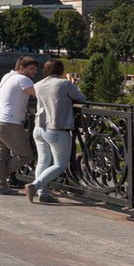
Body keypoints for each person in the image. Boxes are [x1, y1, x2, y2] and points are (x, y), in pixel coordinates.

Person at [28, 58, 84, 203]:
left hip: (39, 128)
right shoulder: (63, 84)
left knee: (43, 161)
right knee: (60, 164)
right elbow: (81, 98)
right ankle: (35, 186)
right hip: (57, 129)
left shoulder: (38, 85)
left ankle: (43, 193)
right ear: (60, 70)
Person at [0, 56, 39, 195]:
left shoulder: (7, 76)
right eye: (31, 68)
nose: (35, 72)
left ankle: (0, 185)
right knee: (26, 155)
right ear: (21, 68)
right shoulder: (23, 79)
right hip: (7, 123)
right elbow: (39, 95)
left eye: (35, 69)